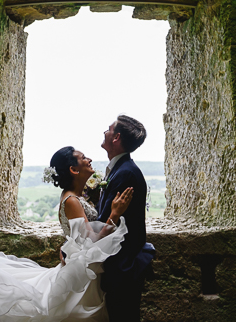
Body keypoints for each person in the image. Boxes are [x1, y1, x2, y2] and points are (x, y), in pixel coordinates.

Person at [0, 147, 134, 321]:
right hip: (80, 275)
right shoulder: (71, 200)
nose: (89, 159)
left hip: (84, 270)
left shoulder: (77, 197)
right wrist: (114, 214)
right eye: (82, 158)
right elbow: (89, 241)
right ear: (73, 170)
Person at [97, 116, 155, 322]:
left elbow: (106, 222)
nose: (105, 131)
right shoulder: (122, 169)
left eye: (109, 129)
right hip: (121, 265)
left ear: (116, 137)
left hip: (123, 267)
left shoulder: (126, 174)